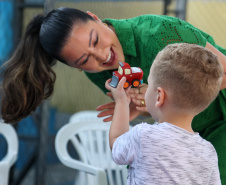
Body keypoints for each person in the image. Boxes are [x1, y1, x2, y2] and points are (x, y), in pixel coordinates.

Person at [0, 7, 226, 183]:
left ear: (95, 17)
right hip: (190, 132)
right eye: (84, 60)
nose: (101, 56)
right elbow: (154, 113)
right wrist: (138, 109)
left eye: (96, 40)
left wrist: (165, 96)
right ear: (77, 68)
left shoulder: (158, 33)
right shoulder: (98, 73)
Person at [105, 43, 223, 185]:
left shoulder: (143, 136)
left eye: (149, 85)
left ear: (159, 96)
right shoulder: (208, 152)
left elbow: (116, 144)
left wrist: (121, 102)